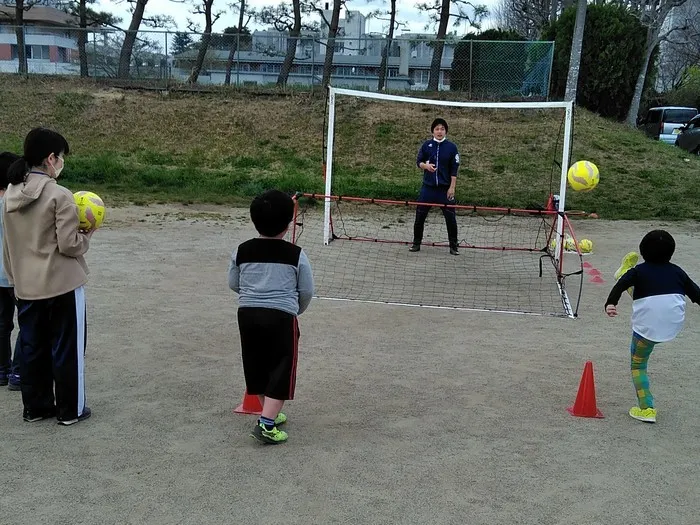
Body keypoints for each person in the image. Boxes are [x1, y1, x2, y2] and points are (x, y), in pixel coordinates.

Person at [3, 128, 94, 425]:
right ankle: (71, 410)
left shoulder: (10, 193)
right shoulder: (59, 194)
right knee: (67, 348)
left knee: (33, 347)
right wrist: (88, 235)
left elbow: (8, 247)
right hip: (62, 284)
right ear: (51, 158)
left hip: (27, 286)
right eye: (61, 157)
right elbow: (68, 245)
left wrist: (16, 280)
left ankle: (36, 407)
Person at [228, 190, 314, 444]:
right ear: (288, 225)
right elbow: (306, 290)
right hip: (281, 318)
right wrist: (294, 309)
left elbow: (234, 282)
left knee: (257, 364)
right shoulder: (297, 255)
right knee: (281, 367)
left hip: (247, 315)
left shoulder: (241, 250)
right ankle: (266, 424)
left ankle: (269, 413)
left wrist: (253, 295)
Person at [605, 230, 700, 423]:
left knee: (638, 366)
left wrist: (610, 303)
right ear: (671, 252)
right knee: (646, 291)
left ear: (642, 250)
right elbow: (696, 294)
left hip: (646, 329)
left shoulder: (639, 271)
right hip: (673, 324)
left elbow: (620, 287)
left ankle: (647, 409)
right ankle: (624, 274)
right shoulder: (678, 272)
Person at [409, 118, 461, 255]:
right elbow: (418, 162)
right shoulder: (426, 145)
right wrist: (425, 166)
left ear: (446, 131)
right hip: (428, 188)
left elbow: (454, 170)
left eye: (442, 129)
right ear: (433, 131)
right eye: (437, 129)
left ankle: (453, 246)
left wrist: (452, 187)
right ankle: (416, 243)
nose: (439, 131)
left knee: (451, 218)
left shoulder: (452, 147)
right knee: (420, 216)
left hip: (444, 189)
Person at [0, 152, 21, 391]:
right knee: (27, 323)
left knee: (2, 324)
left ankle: (2, 370)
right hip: (14, 274)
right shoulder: (13, 204)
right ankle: (18, 373)